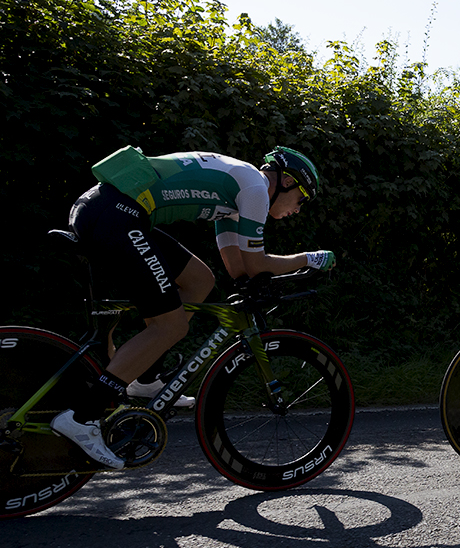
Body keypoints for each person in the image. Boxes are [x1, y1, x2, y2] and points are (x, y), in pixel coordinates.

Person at [51, 146, 337, 469]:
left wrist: (260, 279)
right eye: (301, 199)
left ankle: (145, 378)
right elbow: (256, 265)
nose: (298, 210)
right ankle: (83, 416)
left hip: (111, 209)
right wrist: (310, 259)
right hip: (116, 213)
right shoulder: (256, 188)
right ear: (286, 180)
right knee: (171, 326)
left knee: (199, 280)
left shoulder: (241, 193)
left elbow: (237, 268)